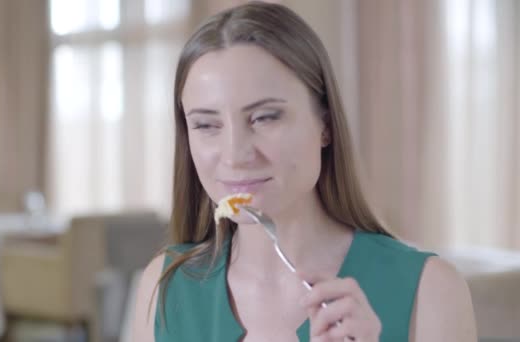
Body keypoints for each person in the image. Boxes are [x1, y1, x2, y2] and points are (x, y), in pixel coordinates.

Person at [132, 2, 477, 341]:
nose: (235, 155)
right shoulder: (164, 288)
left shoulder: (429, 291)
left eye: (265, 117)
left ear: (325, 124)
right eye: (206, 124)